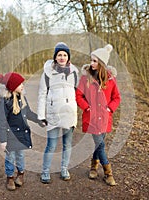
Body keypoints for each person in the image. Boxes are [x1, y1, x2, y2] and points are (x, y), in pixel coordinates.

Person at [75, 44, 121, 186]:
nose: (91, 63)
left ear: (101, 63)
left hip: (105, 118)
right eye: (91, 60)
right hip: (92, 118)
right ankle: (108, 174)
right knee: (100, 145)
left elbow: (117, 97)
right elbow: (78, 95)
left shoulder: (110, 80)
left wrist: (109, 109)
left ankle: (93, 167)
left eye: (94, 61)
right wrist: (87, 108)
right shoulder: (85, 78)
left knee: (98, 145)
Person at [37, 42, 79, 184]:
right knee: (51, 144)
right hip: (53, 113)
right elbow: (42, 94)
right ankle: (45, 171)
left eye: (64, 55)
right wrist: (41, 116)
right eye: (59, 55)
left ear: (68, 57)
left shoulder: (74, 73)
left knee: (67, 144)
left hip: (69, 113)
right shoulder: (47, 73)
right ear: (55, 57)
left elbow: (78, 93)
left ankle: (64, 169)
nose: (62, 57)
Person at [0, 72, 45, 191]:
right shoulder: (5, 102)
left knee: (20, 155)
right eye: (19, 83)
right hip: (10, 135)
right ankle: (10, 177)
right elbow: (1, 122)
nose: (23, 85)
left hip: (21, 133)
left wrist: (39, 120)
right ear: (12, 86)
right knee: (10, 157)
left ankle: (21, 174)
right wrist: (3, 140)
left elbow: (28, 113)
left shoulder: (22, 98)